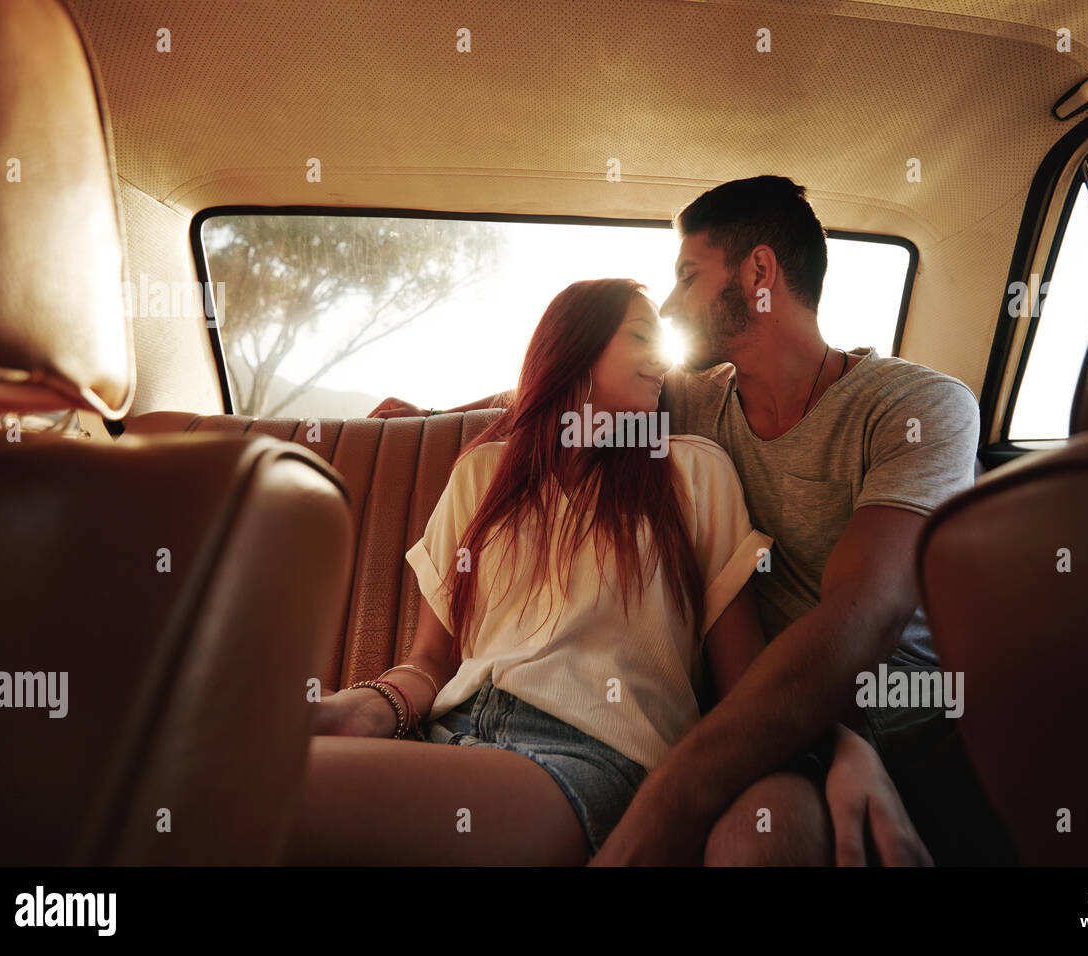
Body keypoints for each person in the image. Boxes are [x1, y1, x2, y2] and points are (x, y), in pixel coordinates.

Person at [370, 176, 1015, 867]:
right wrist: (431, 416)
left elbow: (864, 615)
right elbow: (562, 384)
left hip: (894, 717)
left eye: (687, 276)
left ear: (759, 272)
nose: (672, 306)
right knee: (765, 827)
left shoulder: (917, 406)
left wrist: (679, 791)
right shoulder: (692, 402)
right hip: (760, 721)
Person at [290, 277, 799, 864]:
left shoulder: (696, 472)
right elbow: (431, 661)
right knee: (239, 763)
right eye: (640, 336)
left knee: (261, 794)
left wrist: (838, 755)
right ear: (576, 347)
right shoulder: (481, 476)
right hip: (449, 735)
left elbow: (747, 686)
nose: (663, 358)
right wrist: (358, 708)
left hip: (594, 757)